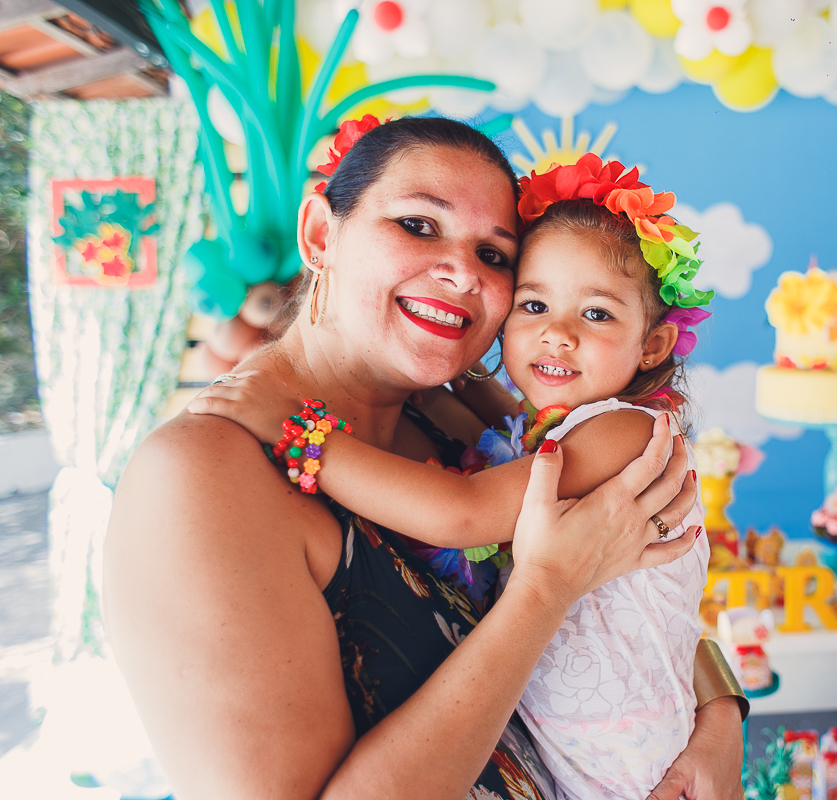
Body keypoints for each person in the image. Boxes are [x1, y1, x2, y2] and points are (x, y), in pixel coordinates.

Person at [103, 117, 746, 800]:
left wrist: (717, 713)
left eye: (495, 256)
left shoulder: (451, 413)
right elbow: (567, 576)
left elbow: (627, 600)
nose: (462, 272)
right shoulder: (203, 472)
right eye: (417, 225)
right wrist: (544, 589)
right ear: (322, 234)